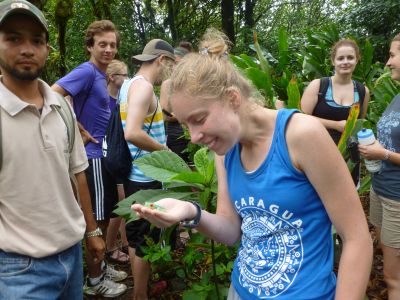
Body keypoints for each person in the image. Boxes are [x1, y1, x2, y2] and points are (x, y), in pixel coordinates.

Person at [132, 29, 373, 299]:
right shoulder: (225, 150)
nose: (195, 137)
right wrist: (189, 211)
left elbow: (357, 239)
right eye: (187, 124)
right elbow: (232, 230)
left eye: (199, 119)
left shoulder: (301, 135)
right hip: (241, 290)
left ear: (233, 99)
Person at [0, 1, 102, 298]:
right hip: (17, 269)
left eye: (37, 40)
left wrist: (92, 231)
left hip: (72, 256)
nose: (27, 49)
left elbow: (78, 172)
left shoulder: (61, 108)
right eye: (14, 38)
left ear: (47, 49)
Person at [52, 20, 127, 297]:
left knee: (105, 216)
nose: (108, 49)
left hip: (102, 155)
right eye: (102, 44)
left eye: (112, 45)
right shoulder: (86, 71)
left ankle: (101, 267)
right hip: (90, 156)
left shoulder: (101, 75)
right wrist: (78, 127)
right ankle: (95, 281)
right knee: (95, 220)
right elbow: (53, 93)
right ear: (90, 46)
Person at [120, 38, 175, 299]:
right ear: (162, 60)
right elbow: (132, 132)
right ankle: (139, 295)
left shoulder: (129, 85)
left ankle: (141, 288)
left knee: (137, 237)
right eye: (171, 66)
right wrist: (166, 153)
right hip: (145, 177)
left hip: (137, 173)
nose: (171, 73)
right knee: (142, 241)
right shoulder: (143, 89)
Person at [358, 33, 400, 300]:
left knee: (394, 278)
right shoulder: (397, 97)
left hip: (398, 198)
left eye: (394, 55)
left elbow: (389, 151)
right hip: (381, 190)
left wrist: (381, 153)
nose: (387, 62)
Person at [301, 39, 370, 186]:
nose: (345, 62)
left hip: (349, 157)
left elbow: (360, 123)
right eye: (340, 58)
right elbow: (300, 118)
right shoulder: (319, 85)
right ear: (333, 61)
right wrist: (336, 125)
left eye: (350, 58)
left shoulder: (363, 91)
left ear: (357, 60)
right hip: (317, 152)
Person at [104, 59, 130, 264]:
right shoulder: (103, 99)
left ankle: (124, 243)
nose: (128, 78)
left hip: (118, 154)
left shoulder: (123, 98)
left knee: (122, 203)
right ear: (112, 77)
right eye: (124, 75)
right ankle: (110, 246)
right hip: (106, 156)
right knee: (119, 204)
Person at [160, 42, 192, 162]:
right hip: (176, 137)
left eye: (178, 63)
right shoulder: (167, 84)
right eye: (173, 63)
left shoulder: (197, 82)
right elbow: (165, 116)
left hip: (196, 136)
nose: (175, 67)